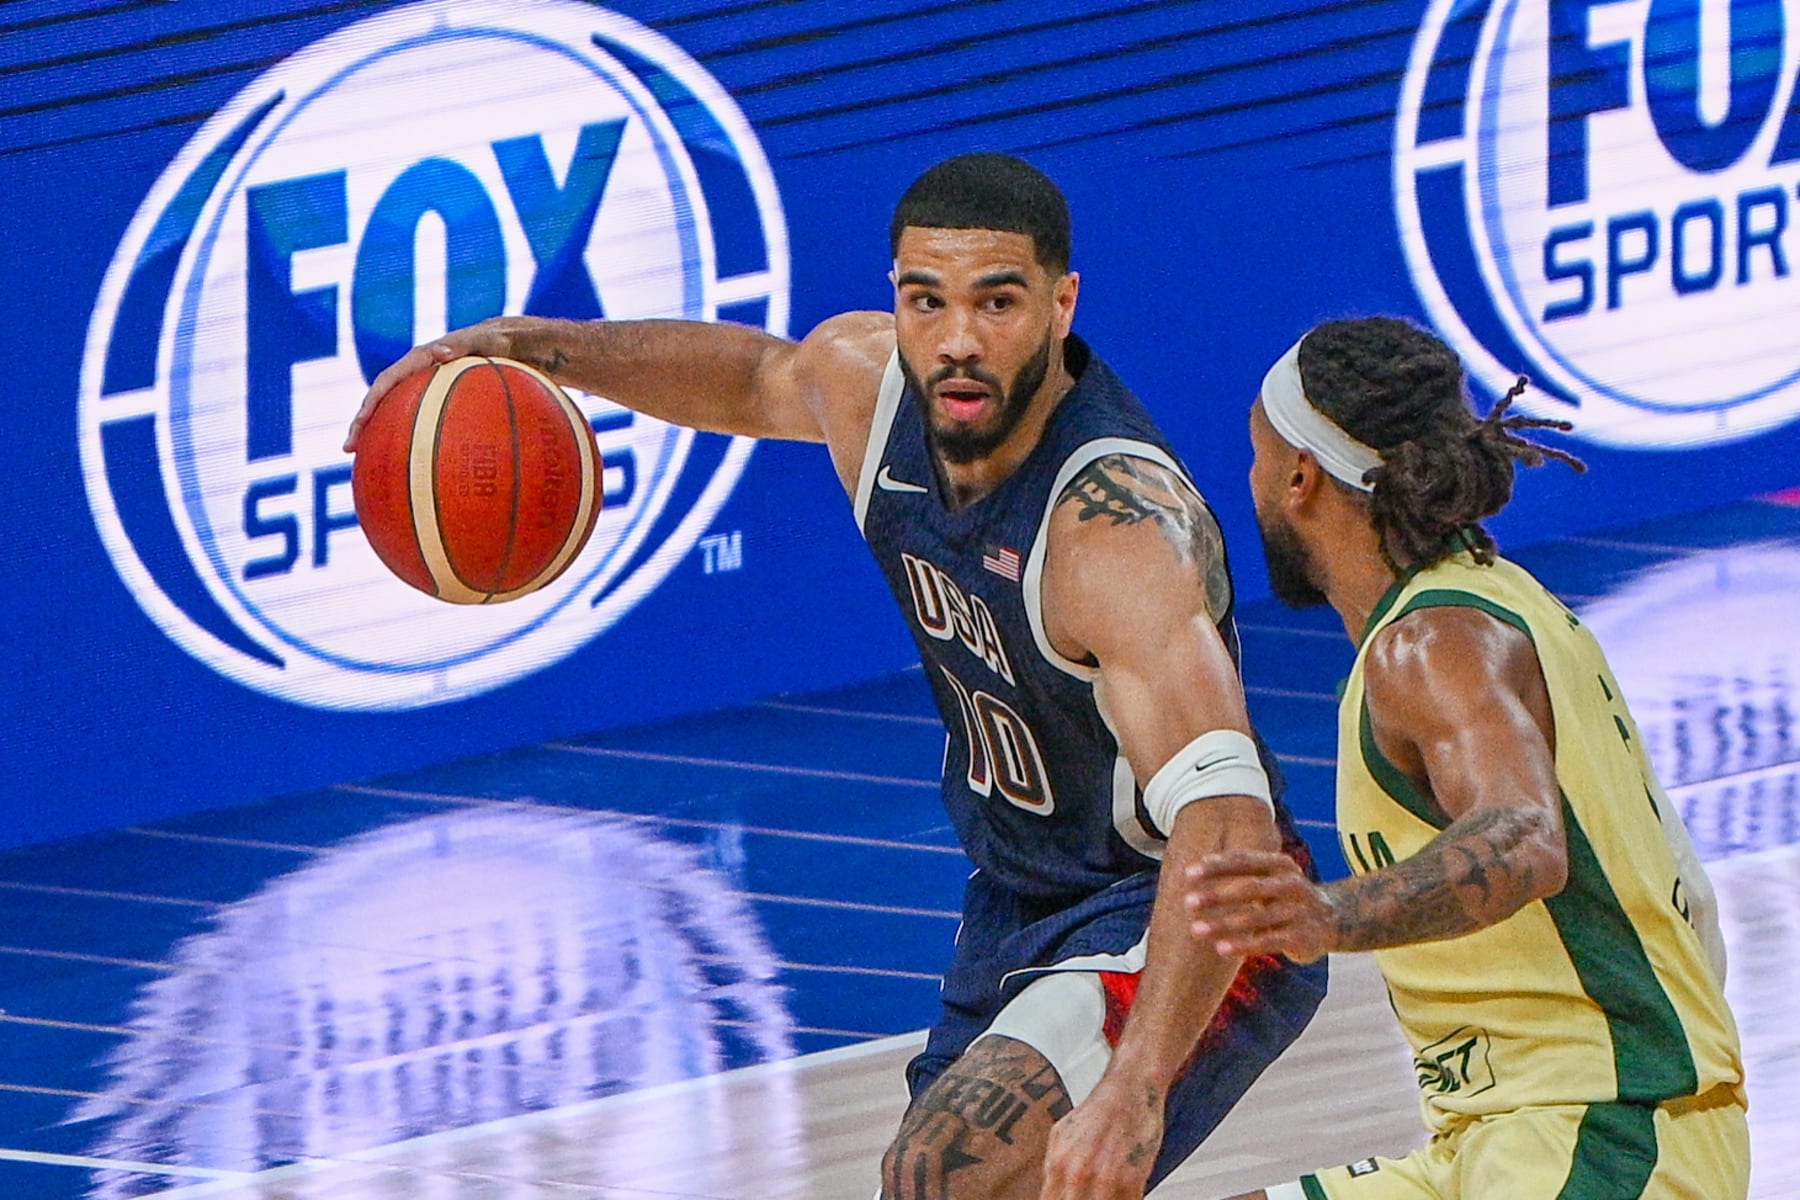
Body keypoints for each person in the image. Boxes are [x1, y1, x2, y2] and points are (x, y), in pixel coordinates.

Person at [346, 152, 1326, 1199]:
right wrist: (529, 348)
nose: (957, 341)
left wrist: (1137, 1087)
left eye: (998, 304)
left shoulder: (1116, 530)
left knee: (943, 1177)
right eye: (925, 301)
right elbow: (757, 376)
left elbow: (1228, 821)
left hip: (1191, 908)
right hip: (1022, 898)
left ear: (1060, 303)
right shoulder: (877, 394)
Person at [1183, 316, 1749, 1200]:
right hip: (1502, 1138)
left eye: (1258, 455)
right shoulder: (1489, 602)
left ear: (1298, 476)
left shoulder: (1431, 646)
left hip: (1600, 1132)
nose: (1250, 480)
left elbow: (1524, 838)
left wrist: (1329, 914)